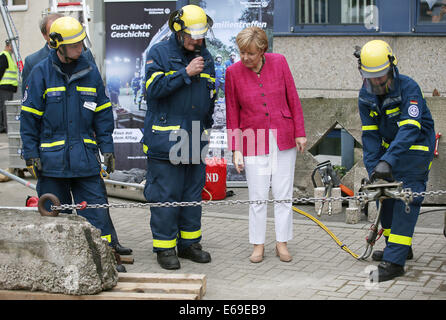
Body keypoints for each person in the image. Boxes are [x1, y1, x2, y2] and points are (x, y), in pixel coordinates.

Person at [19, 16, 131, 266]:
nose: (80, 49)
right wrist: (30, 154)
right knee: (54, 219)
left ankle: (103, 262)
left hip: (84, 161)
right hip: (51, 164)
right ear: (57, 46)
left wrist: (107, 149)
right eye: (74, 46)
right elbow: (28, 120)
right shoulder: (40, 75)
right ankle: (58, 266)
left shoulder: (90, 73)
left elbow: (103, 116)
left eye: (81, 43)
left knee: (97, 216)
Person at [142, 4, 215, 270]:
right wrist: (185, 74)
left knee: (192, 194)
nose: (197, 40)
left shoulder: (206, 55)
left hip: (195, 138)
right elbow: (153, 89)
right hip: (166, 140)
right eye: (192, 35)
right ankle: (165, 248)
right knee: (166, 194)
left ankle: (189, 244)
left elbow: (210, 96)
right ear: (178, 30)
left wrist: (205, 129)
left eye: (201, 35)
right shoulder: (159, 53)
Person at [355, 40, 435, 282]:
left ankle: (395, 263)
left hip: (415, 150)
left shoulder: (409, 88)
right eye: (371, 77)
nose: (377, 82)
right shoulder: (365, 95)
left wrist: (387, 161)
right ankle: (399, 249)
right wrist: (374, 170)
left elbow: (410, 129)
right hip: (390, 156)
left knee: (404, 203)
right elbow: (369, 136)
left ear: (392, 68)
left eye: (381, 76)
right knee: (383, 197)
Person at [225, 27, 307, 263]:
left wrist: (299, 133)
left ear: (262, 50)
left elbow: (293, 97)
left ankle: (282, 243)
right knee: (258, 196)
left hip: (283, 137)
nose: (245, 58)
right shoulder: (233, 73)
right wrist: (236, 148)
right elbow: (232, 112)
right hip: (253, 140)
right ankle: (258, 245)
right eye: (242, 52)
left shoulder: (280, 62)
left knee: (283, 194)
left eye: (250, 53)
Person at [21, 13, 95, 95]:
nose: (61, 38)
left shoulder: (85, 54)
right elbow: (28, 97)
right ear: (44, 35)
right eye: (54, 33)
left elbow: (96, 88)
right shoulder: (33, 62)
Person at [0, 40, 18, 133]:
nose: (14, 49)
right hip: (5, 87)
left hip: (8, 87)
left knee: (4, 107)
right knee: (6, 108)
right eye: (13, 46)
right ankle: (6, 127)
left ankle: (3, 127)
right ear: (8, 46)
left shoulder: (8, 56)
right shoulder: (4, 56)